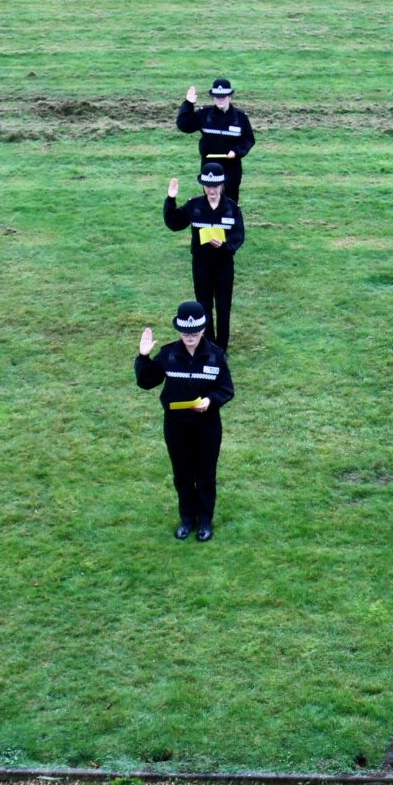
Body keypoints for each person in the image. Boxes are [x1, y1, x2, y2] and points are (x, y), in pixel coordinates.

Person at [135, 302, 234, 541]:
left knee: (206, 474)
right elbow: (146, 382)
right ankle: (187, 519)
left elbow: (226, 389)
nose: (190, 337)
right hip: (176, 426)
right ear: (179, 331)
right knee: (182, 474)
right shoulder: (169, 354)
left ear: (202, 330)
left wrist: (210, 401)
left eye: (194, 332)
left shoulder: (215, 356)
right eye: (185, 332)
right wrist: (144, 356)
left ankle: (205, 522)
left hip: (207, 426)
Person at [162, 164, 243, 350]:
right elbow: (174, 223)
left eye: (215, 186)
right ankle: (208, 344)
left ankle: (221, 348)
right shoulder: (195, 205)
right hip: (201, 264)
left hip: (223, 264)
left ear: (221, 185)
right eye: (208, 185)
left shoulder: (231, 208)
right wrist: (171, 199)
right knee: (204, 304)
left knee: (223, 306)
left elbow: (238, 236)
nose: (211, 190)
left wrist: (224, 246)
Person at [175, 78, 255, 203]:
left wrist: (236, 151)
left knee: (230, 201)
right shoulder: (204, 114)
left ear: (230, 97)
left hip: (231, 167)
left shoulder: (240, 117)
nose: (220, 99)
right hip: (209, 165)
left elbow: (248, 139)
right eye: (217, 96)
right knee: (211, 200)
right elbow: (184, 125)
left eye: (223, 96)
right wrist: (188, 104)